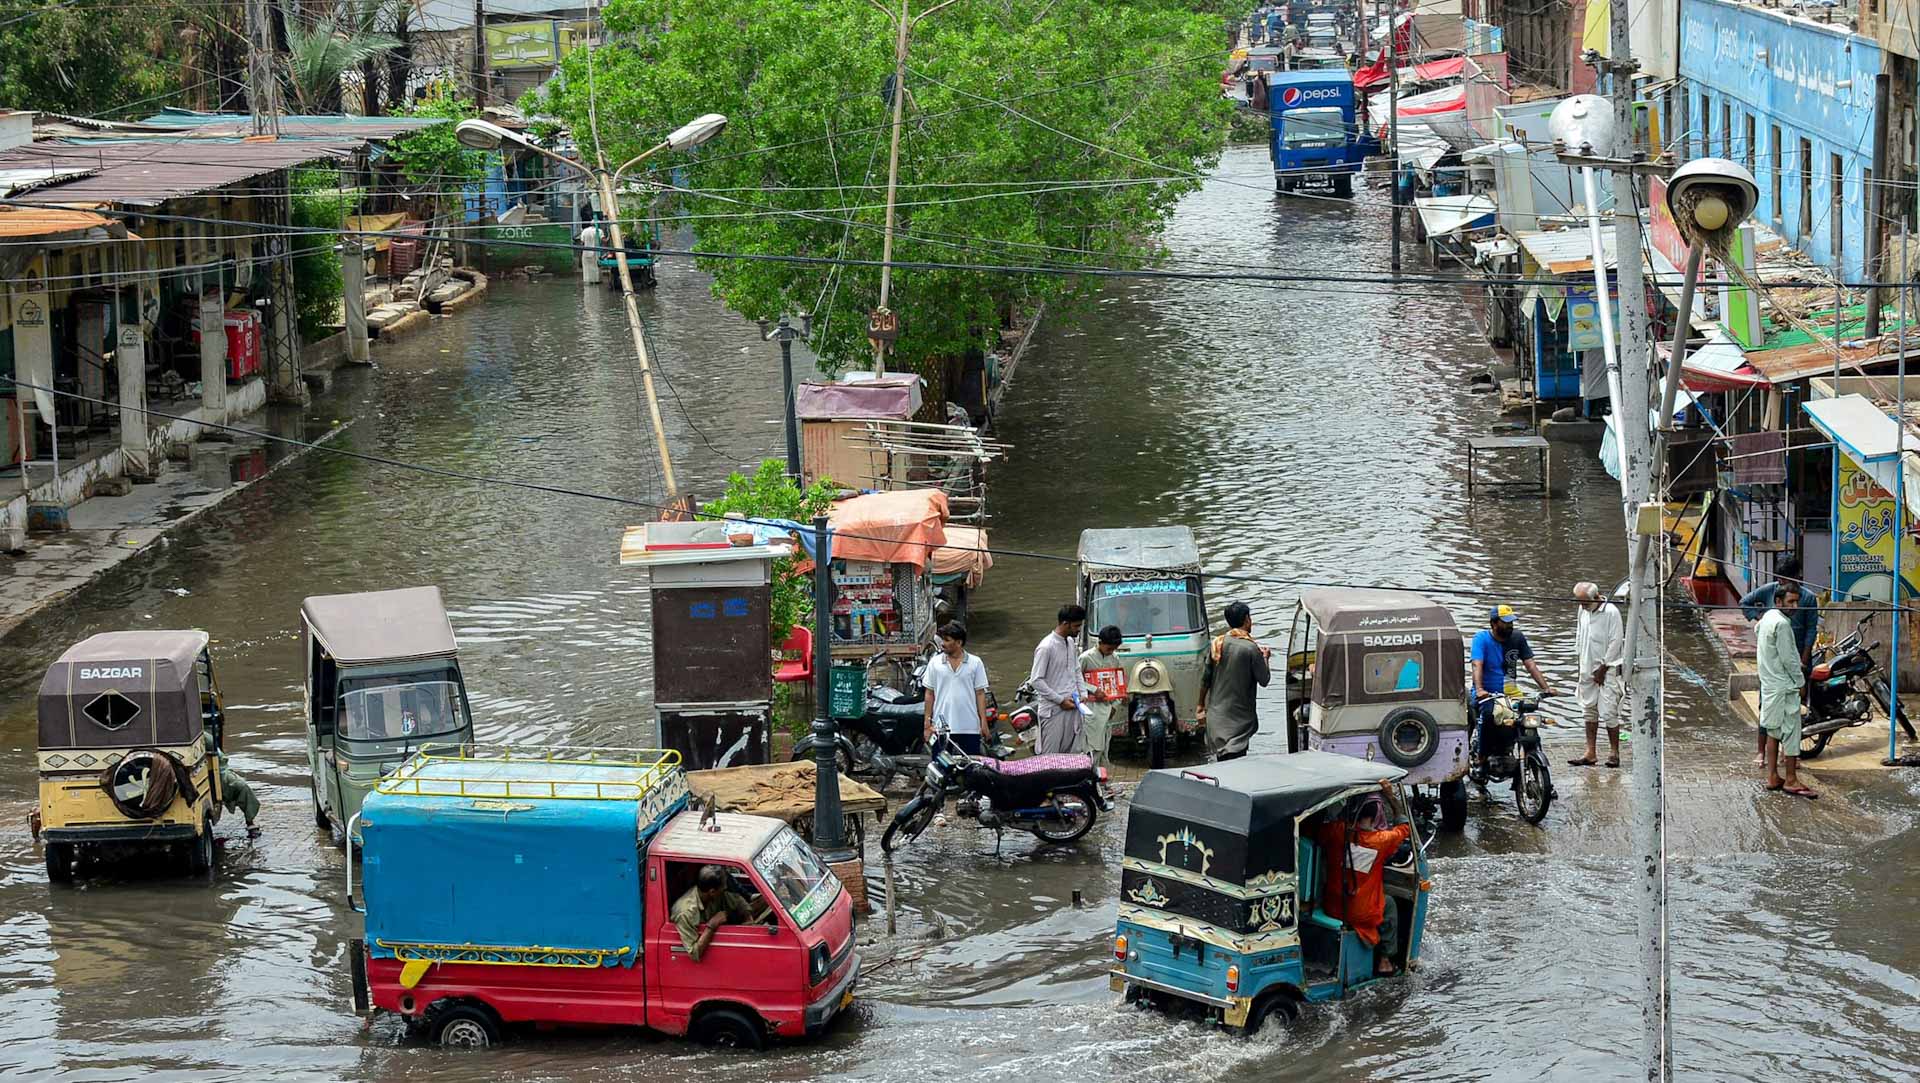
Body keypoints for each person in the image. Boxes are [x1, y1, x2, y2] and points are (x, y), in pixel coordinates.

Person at [1311, 780, 1412, 977]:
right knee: (1389, 904)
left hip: (1333, 905)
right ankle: (1385, 961)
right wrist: (1391, 797)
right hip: (1360, 913)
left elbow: (1316, 830)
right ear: (1375, 819)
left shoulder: (1337, 831)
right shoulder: (1381, 841)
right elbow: (1404, 826)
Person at [1741, 555, 1821, 763]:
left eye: (1788, 581)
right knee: (1767, 710)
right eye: (1781, 581)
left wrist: (1803, 660)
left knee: (1794, 711)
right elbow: (1745, 603)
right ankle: (1762, 752)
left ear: (1798, 578)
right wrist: (1760, 617)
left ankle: (1789, 752)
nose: (1793, 604)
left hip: (1797, 659)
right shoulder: (1772, 595)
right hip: (1775, 665)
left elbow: (1811, 630)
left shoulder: (1808, 598)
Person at [1469, 605, 1556, 766]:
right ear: (1494, 623)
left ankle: (1529, 751)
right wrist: (1480, 689)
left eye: (1511, 622)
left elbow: (1530, 664)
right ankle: (1481, 757)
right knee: (1488, 715)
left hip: (1511, 692)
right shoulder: (1481, 639)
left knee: (1528, 714)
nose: (1510, 626)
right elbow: (1477, 664)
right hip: (1488, 693)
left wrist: (1546, 688)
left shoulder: (1517, 637)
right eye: (1505, 622)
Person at [1758, 583, 1816, 799]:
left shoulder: (1767, 618)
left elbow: (1757, 632)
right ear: (1779, 601)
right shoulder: (1782, 624)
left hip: (1770, 685)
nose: (1795, 606)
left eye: (1796, 601)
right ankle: (1790, 779)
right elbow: (1790, 659)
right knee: (1791, 733)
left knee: (1772, 731)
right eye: (1790, 601)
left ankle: (1773, 776)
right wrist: (1800, 682)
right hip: (1784, 686)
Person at [1198, 601, 1271, 761]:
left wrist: (1200, 705)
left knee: (1223, 763)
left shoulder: (1217, 644)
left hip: (1216, 719)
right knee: (1236, 764)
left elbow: (1205, 679)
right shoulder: (1250, 648)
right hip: (1237, 722)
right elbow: (1264, 679)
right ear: (1246, 619)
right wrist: (1265, 658)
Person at [1568, 582, 1625, 769]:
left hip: (1607, 669)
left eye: (1585, 603)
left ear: (1596, 596)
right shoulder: (1582, 610)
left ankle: (1614, 753)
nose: (1583, 606)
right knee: (1588, 709)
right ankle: (1590, 752)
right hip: (1586, 666)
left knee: (1609, 712)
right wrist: (1581, 661)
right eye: (1581, 603)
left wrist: (1603, 667)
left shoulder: (1611, 612)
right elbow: (1580, 635)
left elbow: (1616, 641)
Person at [923, 622, 990, 756]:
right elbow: (929, 694)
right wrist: (927, 723)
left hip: (969, 727)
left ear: (959, 643)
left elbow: (980, 694)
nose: (943, 643)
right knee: (941, 768)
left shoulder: (975, 663)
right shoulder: (935, 663)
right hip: (941, 728)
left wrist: (983, 722)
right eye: (943, 639)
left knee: (971, 769)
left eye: (947, 640)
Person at [1028, 605, 1087, 754]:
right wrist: (1060, 700)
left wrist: (1083, 694)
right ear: (1065, 624)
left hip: (1073, 707)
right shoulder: (1046, 647)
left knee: (1071, 756)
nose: (1079, 629)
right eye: (1077, 626)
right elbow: (1036, 680)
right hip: (1053, 711)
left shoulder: (1071, 643)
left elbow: (1076, 669)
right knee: (1050, 759)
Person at [670, 864, 754, 962]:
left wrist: (748, 916)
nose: (725, 889)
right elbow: (694, 954)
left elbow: (737, 900)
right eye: (723, 888)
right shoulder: (685, 912)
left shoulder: (715, 895)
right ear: (712, 892)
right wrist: (711, 926)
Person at [1078, 625, 1126, 768]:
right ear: (1100, 642)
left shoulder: (1114, 658)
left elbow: (1119, 684)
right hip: (1091, 708)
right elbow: (1074, 680)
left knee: (1105, 745)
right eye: (1109, 648)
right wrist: (1093, 689)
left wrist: (1115, 706)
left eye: (1113, 649)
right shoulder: (1085, 658)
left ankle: (1100, 778)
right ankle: (1090, 777)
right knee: (1092, 746)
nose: (1111, 651)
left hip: (1108, 707)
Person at [204, 730, 261, 838]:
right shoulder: (203, 737)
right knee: (242, 787)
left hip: (216, 769)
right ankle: (250, 822)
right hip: (215, 773)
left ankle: (250, 821)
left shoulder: (204, 737)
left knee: (240, 786)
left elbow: (217, 755)